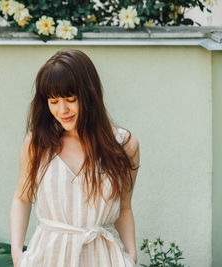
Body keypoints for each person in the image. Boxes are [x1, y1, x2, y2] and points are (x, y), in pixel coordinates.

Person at [10, 49, 140, 267]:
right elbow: (22, 198)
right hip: (47, 257)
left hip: (104, 258)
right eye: (53, 101)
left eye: (70, 99)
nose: (62, 110)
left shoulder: (124, 145)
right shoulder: (37, 143)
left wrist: (131, 257)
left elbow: (124, 208)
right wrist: (17, 254)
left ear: (90, 95)